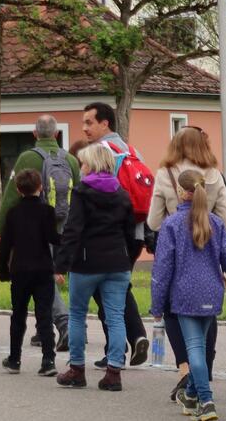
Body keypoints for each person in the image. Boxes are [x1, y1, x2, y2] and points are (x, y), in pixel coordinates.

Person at [150, 169, 226, 421]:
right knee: (200, 345)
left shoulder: (172, 225)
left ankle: (206, 401)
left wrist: (157, 305)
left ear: (180, 191)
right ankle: (190, 395)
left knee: (194, 349)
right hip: (211, 293)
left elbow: (162, 269)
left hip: (185, 296)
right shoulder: (216, 223)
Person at [147, 126, 226, 402]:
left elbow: (153, 222)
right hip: (208, 252)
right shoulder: (214, 175)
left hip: (177, 255)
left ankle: (185, 369)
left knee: (175, 312)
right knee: (206, 314)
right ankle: (203, 372)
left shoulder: (165, 174)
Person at [55, 142, 138, 392]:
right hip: (117, 264)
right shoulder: (122, 193)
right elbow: (130, 232)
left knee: (78, 315)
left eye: (83, 163)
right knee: (115, 316)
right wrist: (128, 260)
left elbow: (73, 229)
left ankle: (77, 370)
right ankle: (114, 372)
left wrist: (61, 264)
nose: (81, 167)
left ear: (91, 164)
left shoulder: (82, 192)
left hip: (86, 263)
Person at [0, 114, 80, 351]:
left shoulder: (27, 157)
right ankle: (44, 332)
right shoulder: (71, 160)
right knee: (53, 276)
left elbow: (11, 195)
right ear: (56, 134)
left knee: (43, 276)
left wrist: (0, 227)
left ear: (35, 134)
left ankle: (65, 325)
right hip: (66, 223)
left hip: (37, 225)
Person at [81, 101, 150, 368]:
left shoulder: (98, 153)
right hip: (136, 230)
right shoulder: (132, 151)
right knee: (119, 285)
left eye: (89, 122)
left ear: (105, 123)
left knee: (105, 288)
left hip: (109, 233)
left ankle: (123, 344)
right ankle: (127, 342)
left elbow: (90, 195)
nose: (85, 128)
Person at [0, 169, 59, 377]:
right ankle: (48, 360)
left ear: (17, 189)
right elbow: (54, 239)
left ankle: (14, 359)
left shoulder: (13, 213)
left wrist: (3, 271)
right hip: (43, 268)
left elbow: (5, 245)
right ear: (41, 187)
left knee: (18, 315)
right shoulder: (47, 211)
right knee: (45, 315)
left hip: (20, 270)